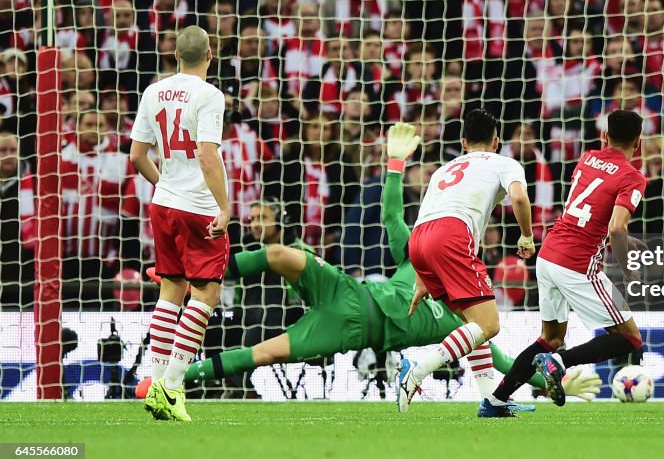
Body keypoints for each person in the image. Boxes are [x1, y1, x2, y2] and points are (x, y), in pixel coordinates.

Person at [148, 125, 599, 405]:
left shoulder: (465, 319)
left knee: (264, 354)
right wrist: (396, 167)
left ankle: (173, 378)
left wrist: (549, 381)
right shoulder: (419, 258)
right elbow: (390, 217)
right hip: (350, 292)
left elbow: (500, 360)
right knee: (281, 254)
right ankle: (202, 273)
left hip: (352, 331)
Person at [481, 110, 646, 417]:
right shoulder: (633, 177)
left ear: (604, 136)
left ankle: (496, 400)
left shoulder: (587, 159)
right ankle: (559, 363)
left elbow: (594, 210)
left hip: (549, 254)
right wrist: (628, 268)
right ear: (638, 143)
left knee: (550, 339)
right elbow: (616, 228)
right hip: (577, 263)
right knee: (629, 338)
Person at [396, 109, 536, 414]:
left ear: (463, 142)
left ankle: (491, 400)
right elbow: (520, 198)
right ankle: (416, 371)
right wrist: (526, 236)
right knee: (488, 324)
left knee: (472, 325)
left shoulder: (442, 170)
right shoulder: (504, 162)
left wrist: (422, 274)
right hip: (451, 234)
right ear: (497, 141)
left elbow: (425, 214)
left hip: (419, 239)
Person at [129, 25, 231, 422]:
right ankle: (172, 385)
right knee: (205, 294)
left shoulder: (152, 92)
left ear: (175, 57)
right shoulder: (210, 95)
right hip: (198, 206)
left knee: (171, 289)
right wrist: (223, 207)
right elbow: (208, 156)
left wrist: (164, 184)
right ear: (211, 55)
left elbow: (137, 155)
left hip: (164, 204)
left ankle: (154, 384)